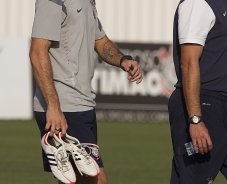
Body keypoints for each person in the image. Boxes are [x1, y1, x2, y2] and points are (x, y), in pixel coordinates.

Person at [29, 0, 143, 183]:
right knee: (96, 179)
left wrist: (123, 60)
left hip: (82, 104)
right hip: (64, 107)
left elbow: (101, 42)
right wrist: (53, 106)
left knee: (76, 181)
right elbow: (37, 51)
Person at [168, 0, 227, 183]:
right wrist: (195, 119)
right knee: (193, 180)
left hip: (225, 106)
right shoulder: (198, 3)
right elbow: (188, 63)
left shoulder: (223, 4)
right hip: (201, 105)